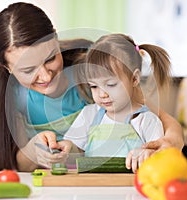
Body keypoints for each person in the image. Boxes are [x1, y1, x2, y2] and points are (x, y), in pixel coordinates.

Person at [0, 2, 184, 172]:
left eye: (50, 58)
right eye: (28, 69)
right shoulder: (9, 95)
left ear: (56, 40)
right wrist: (34, 151)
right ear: (8, 68)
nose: (45, 75)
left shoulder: (90, 66)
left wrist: (170, 142)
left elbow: (157, 117)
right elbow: (15, 165)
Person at [64, 34, 172, 172]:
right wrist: (66, 148)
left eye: (111, 84)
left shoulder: (147, 121)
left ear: (134, 79)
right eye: (94, 86)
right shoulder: (89, 114)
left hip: (130, 191)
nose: (102, 94)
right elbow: (75, 151)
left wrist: (148, 155)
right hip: (91, 190)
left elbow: (161, 160)